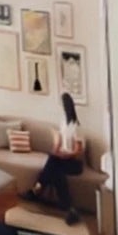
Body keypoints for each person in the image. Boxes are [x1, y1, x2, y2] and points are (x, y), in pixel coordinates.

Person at [29, 93, 87, 225]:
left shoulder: (76, 126)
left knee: (53, 162)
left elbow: (77, 150)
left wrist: (65, 155)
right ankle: (70, 210)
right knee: (57, 171)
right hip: (62, 160)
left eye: (62, 105)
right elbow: (59, 142)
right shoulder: (63, 123)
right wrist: (56, 149)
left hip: (74, 163)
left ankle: (37, 188)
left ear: (66, 106)